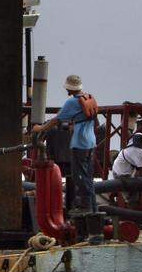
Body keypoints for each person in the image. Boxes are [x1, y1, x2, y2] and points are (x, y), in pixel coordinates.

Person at [33, 75, 99, 214]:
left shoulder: (72, 102)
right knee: (88, 176)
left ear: (69, 88)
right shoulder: (88, 97)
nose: (67, 91)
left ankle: (86, 207)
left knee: (78, 175)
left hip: (79, 143)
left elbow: (56, 120)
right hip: (91, 142)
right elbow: (87, 119)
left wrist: (40, 128)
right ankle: (93, 208)